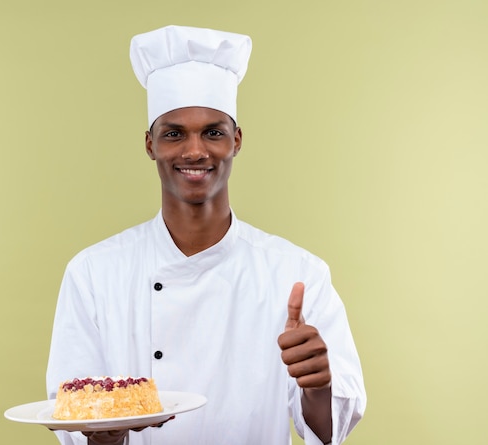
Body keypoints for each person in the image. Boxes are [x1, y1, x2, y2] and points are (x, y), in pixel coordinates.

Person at [46, 25, 366, 445]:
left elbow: (329, 433)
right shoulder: (92, 272)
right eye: (174, 133)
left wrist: (317, 387)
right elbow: (76, 423)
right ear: (150, 144)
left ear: (236, 140)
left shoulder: (298, 273)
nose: (194, 151)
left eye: (213, 132)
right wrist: (103, 433)